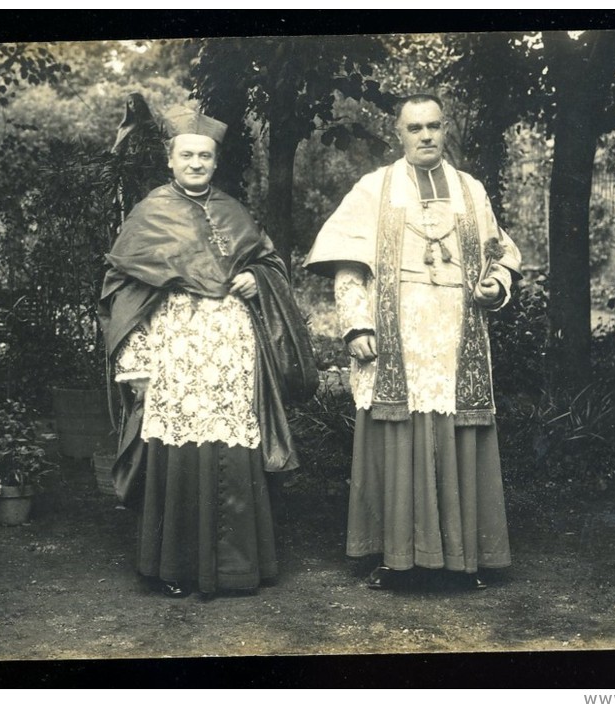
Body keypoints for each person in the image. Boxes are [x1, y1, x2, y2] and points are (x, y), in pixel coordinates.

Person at [303, 94, 521, 590]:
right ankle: (396, 556)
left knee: (457, 436)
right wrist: (357, 325)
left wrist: (494, 286)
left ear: (446, 130)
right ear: (397, 134)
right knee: (397, 437)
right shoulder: (373, 188)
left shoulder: (471, 190)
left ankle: (463, 558)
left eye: (434, 126)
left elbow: (502, 255)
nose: (426, 136)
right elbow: (348, 266)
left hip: (455, 334)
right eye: (415, 128)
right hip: (395, 334)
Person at [100, 106, 315, 598]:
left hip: (233, 352)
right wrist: (136, 360)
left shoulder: (235, 211)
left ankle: (239, 566)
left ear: (215, 162)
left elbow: (271, 265)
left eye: (205, 156)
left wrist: (254, 277)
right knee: (176, 452)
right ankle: (176, 565)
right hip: (176, 347)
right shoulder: (150, 212)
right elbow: (122, 288)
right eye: (187, 155)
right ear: (170, 160)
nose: (196, 163)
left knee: (233, 453)